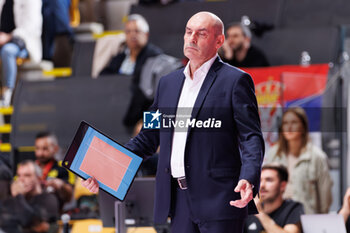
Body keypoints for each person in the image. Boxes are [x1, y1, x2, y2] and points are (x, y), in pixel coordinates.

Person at [83, 11, 264, 233]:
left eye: (201, 33)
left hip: (220, 199)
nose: (192, 38)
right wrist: (105, 169)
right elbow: (147, 137)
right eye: (188, 32)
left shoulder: (236, 81)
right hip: (178, 201)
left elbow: (251, 137)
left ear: (219, 41)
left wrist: (249, 176)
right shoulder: (167, 83)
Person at [99, 14, 163, 128]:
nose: (132, 35)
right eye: (128, 32)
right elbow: (104, 77)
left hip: (140, 112)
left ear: (146, 35)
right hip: (116, 108)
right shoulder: (120, 57)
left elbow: (152, 94)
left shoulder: (155, 57)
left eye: (137, 31)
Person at [265, 107, 333, 214]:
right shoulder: (273, 154)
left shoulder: (317, 156)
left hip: (306, 219)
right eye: (285, 123)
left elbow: (325, 197)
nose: (289, 127)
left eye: (294, 122)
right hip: (278, 217)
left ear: (303, 126)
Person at [0, 0, 42, 106]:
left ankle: (7, 92)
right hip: (3, 39)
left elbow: (31, 27)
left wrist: (8, 37)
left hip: (24, 41)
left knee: (7, 51)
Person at [0, 160, 59, 233]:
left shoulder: (48, 198)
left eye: (27, 175)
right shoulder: (13, 199)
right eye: (18, 175)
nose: (21, 179)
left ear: (39, 178)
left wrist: (19, 195)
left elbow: (30, 221)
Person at [244, 163, 304, 233]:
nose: (262, 185)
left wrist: (260, 213)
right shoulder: (249, 212)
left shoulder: (293, 208)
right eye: (260, 181)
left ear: (282, 186)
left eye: (269, 180)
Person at [35, 131, 73, 211]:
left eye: (45, 149)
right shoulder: (29, 169)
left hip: (54, 214)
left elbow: (70, 196)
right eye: (37, 148)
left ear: (55, 149)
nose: (40, 153)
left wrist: (61, 185)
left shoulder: (63, 169)